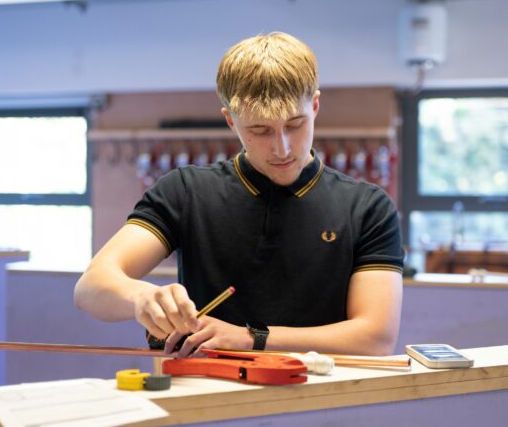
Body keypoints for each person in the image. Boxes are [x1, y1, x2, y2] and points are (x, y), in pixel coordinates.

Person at [74, 32, 404, 358]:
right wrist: (140, 297)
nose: (282, 147)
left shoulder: (367, 207)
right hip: (205, 394)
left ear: (315, 105)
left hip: (324, 398)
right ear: (231, 121)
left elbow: (375, 337)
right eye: (259, 130)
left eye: (295, 124)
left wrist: (251, 338)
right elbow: (91, 287)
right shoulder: (185, 192)